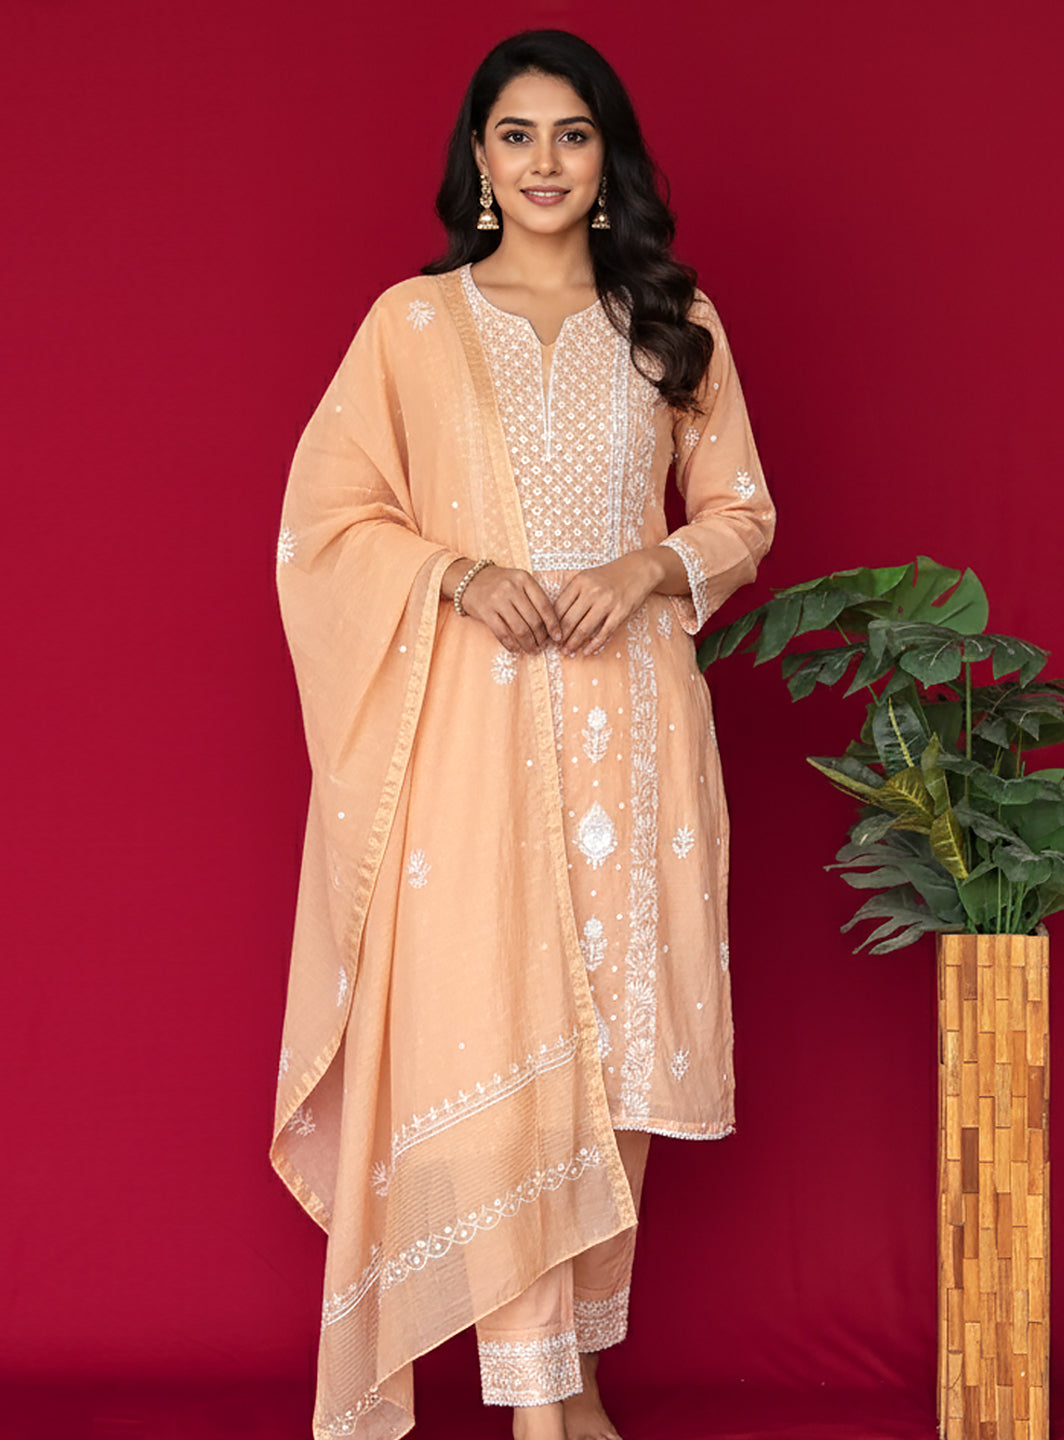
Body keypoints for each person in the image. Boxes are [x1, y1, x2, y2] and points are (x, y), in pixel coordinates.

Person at [271, 29, 775, 1440]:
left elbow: (741, 509)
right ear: (478, 161)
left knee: (611, 1057)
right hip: (472, 743)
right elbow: (327, 519)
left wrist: (647, 569)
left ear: (608, 160)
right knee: (495, 1043)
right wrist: (458, 574)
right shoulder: (412, 329)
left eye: (571, 134)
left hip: (635, 731)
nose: (544, 162)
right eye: (515, 135)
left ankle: (573, 1377)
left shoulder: (674, 316)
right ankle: (542, 1408)